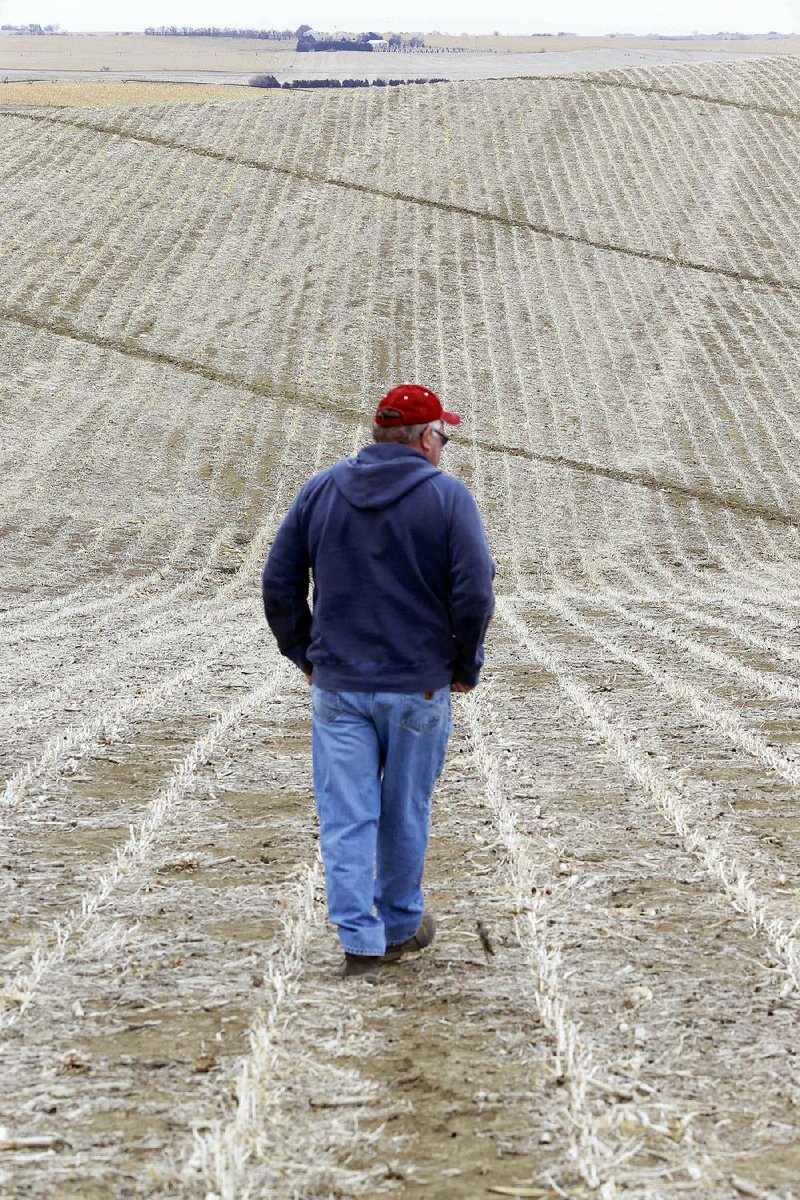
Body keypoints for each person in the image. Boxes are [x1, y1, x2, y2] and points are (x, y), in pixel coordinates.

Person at [261, 383, 495, 977]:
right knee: (404, 810)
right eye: (442, 436)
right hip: (418, 685)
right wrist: (463, 665)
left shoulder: (322, 490)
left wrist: (306, 654)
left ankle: (359, 942)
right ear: (424, 438)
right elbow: (474, 594)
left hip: (338, 686)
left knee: (347, 815)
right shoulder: (447, 499)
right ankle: (397, 924)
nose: (443, 447)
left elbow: (279, 582)